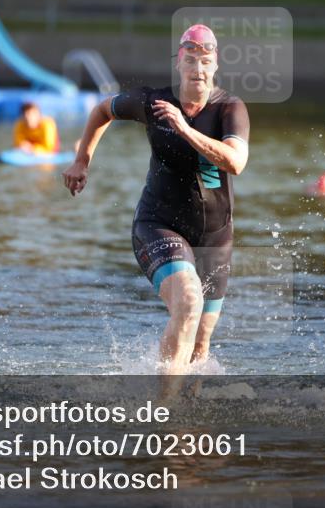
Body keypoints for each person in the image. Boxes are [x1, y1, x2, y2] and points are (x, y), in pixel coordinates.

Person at [62, 24, 250, 376]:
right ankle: (165, 415)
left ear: (216, 66)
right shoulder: (153, 102)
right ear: (178, 64)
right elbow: (103, 111)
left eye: (205, 60)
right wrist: (82, 160)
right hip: (158, 225)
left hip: (216, 237)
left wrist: (184, 129)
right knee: (188, 303)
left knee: (201, 345)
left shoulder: (230, 109)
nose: (198, 68)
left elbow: (236, 162)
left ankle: (188, 421)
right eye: (190, 59)